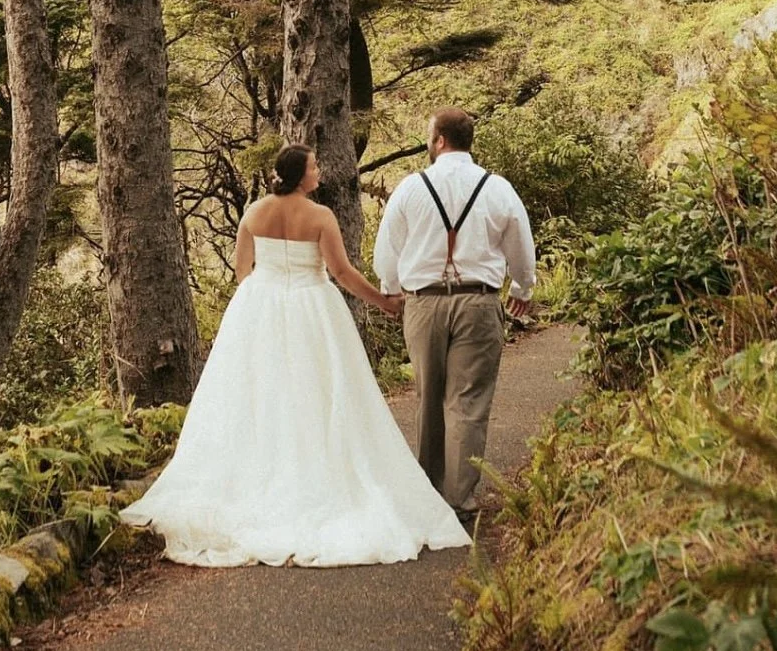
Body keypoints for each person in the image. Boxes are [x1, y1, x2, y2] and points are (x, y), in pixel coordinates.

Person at [120, 143, 469, 567]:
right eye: (314, 166)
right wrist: (384, 301)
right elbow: (341, 272)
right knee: (319, 393)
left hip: (259, 307)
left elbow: (242, 268)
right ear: (301, 176)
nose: (319, 170)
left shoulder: (253, 213)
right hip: (312, 307)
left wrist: (268, 289)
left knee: (260, 396)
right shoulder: (320, 217)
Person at [373, 108, 536, 524]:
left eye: (430, 136)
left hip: (424, 303)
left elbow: (389, 246)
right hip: (478, 302)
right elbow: (520, 238)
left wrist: (391, 289)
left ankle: (428, 493)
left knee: (429, 396)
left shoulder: (411, 187)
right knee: (468, 399)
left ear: (440, 140)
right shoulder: (496, 187)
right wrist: (522, 287)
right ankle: (458, 499)